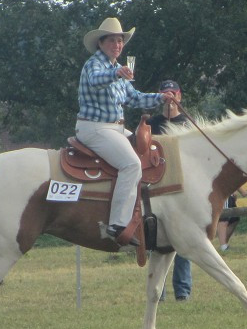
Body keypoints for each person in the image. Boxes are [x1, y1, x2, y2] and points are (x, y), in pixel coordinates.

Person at [76, 17, 176, 244]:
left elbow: (135, 97)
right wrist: (117, 73)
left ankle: (152, 211)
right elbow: (95, 81)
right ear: (100, 43)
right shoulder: (96, 65)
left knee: (152, 152)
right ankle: (117, 224)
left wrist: (162, 97)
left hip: (115, 129)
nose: (117, 45)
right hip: (94, 128)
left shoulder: (116, 68)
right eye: (112, 40)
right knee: (131, 164)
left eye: (120, 41)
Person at [149, 79, 192, 301]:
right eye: (165, 94)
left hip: (182, 185)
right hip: (159, 186)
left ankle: (183, 292)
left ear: (179, 96)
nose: (169, 98)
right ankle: (160, 292)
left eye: (173, 94)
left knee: (183, 239)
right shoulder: (152, 123)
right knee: (159, 239)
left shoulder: (188, 122)